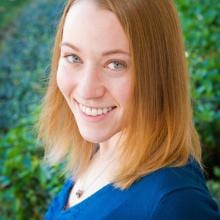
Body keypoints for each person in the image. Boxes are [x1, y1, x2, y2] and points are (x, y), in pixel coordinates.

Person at [38, 0, 220, 219]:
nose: (87, 90)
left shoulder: (174, 202)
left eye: (115, 64)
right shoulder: (100, 149)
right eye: (73, 57)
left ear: (158, 74)